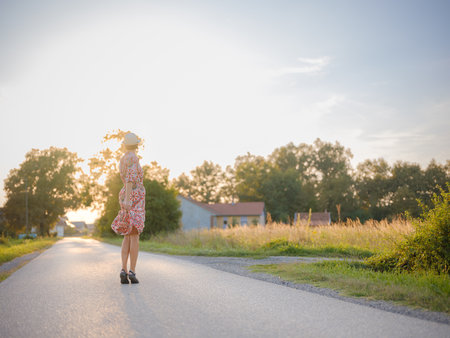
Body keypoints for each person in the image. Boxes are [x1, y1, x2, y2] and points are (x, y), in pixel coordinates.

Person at [111, 132, 145, 284]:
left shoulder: (123, 158)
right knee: (135, 235)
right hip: (134, 198)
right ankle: (132, 271)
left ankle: (124, 270)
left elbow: (126, 180)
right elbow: (131, 180)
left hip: (127, 195)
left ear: (125, 145)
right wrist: (128, 199)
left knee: (127, 235)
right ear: (137, 145)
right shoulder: (133, 158)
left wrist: (125, 197)